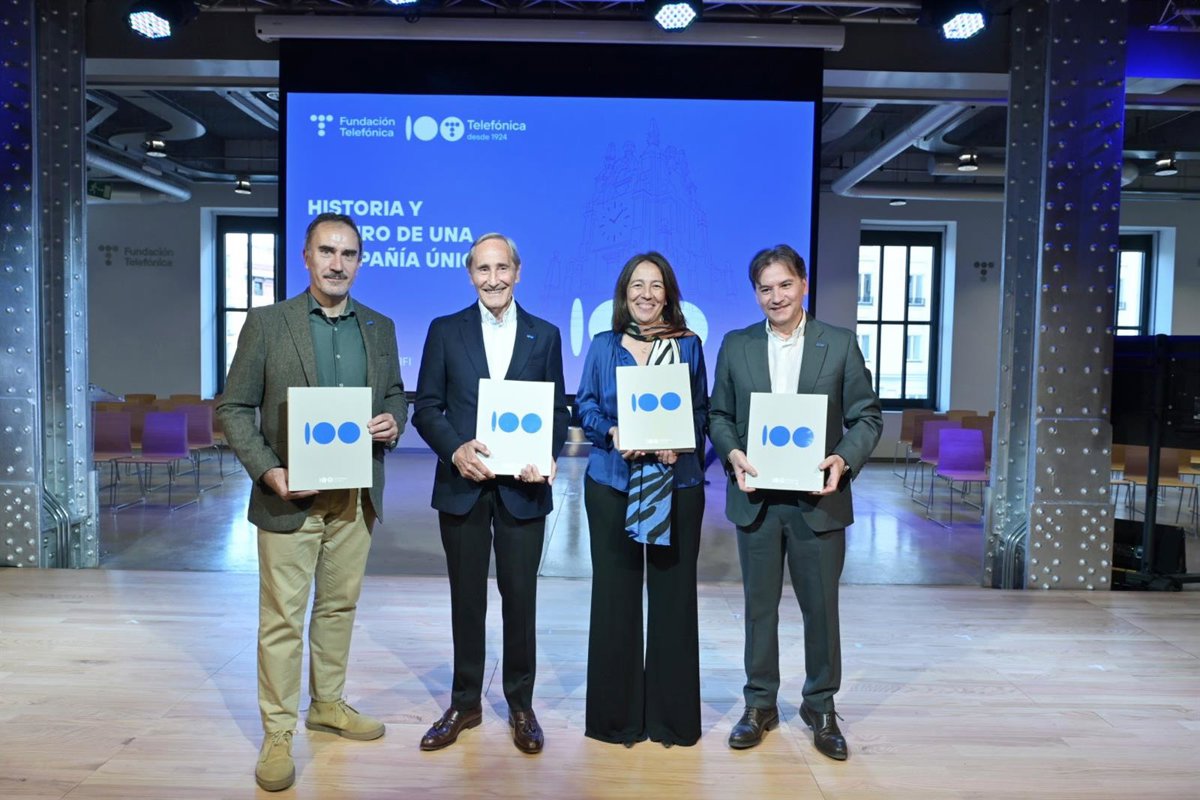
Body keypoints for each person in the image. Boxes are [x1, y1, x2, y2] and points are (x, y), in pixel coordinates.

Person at [217, 212, 407, 792]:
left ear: (360, 262)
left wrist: (392, 420)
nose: (337, 264)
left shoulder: (378, 327)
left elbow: (396, 395)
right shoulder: (268, 324)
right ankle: (278, 732)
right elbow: (233, 408)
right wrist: (269, 470)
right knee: (282, 620)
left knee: (338, 608)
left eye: (348, 254)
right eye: (327, 251)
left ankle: (327, 704)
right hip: (290, 499)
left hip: (354, 498)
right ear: (306, 257)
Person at [709, 244, 881, 761]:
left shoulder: (840, 344)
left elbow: (867, 416)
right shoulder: (736, 345)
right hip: (757, 500)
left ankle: (820, 706)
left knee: (821, 610)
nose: (776, 296)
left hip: (818, 501)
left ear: (803, 284)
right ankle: (759, 704)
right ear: (755, 294)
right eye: (765, 288)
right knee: (758, 609)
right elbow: (719, 415)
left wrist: (843, 459)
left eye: (785, 285)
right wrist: (732, 452)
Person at [413, 232, 568, 755]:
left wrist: (546, 452)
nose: (494, 279)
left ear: (518, 272)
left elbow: (557, 410)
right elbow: (426, 407)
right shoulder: (444, 330)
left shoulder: (546, 335)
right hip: (463, 486)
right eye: (483, 269)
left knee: (520, 600)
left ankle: (521, 705)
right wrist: (455, 449)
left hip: (524, 490)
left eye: (502, 268)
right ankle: (465, 703)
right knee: (466, 599)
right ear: (470, 274)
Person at [575, 252, 709, 747]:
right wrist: (612, 432)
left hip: (676, 485)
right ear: (624, 293)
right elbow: (585, 405)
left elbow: (701, 411)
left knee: (674, 602)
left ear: (668, 293)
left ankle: (672, 721)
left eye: (656, 285)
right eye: (637, 284)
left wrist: (683, 440)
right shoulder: (603, 345)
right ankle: (616, 721)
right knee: (616, 600)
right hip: (612, 483)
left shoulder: (688, 346)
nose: (646, 294)